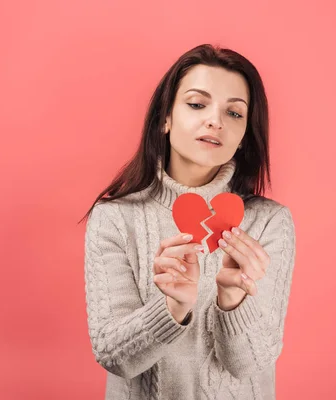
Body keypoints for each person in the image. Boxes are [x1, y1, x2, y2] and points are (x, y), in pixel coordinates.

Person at [80, 43, 296, 399]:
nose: (215, 120)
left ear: (243, 137)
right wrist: (172, 307)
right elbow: (113, 355)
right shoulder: (115, 219)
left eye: (235, 113)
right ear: (165, 118)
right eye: (197, 104)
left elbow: (251, 364)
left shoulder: (270, 222)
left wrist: (232, 299)